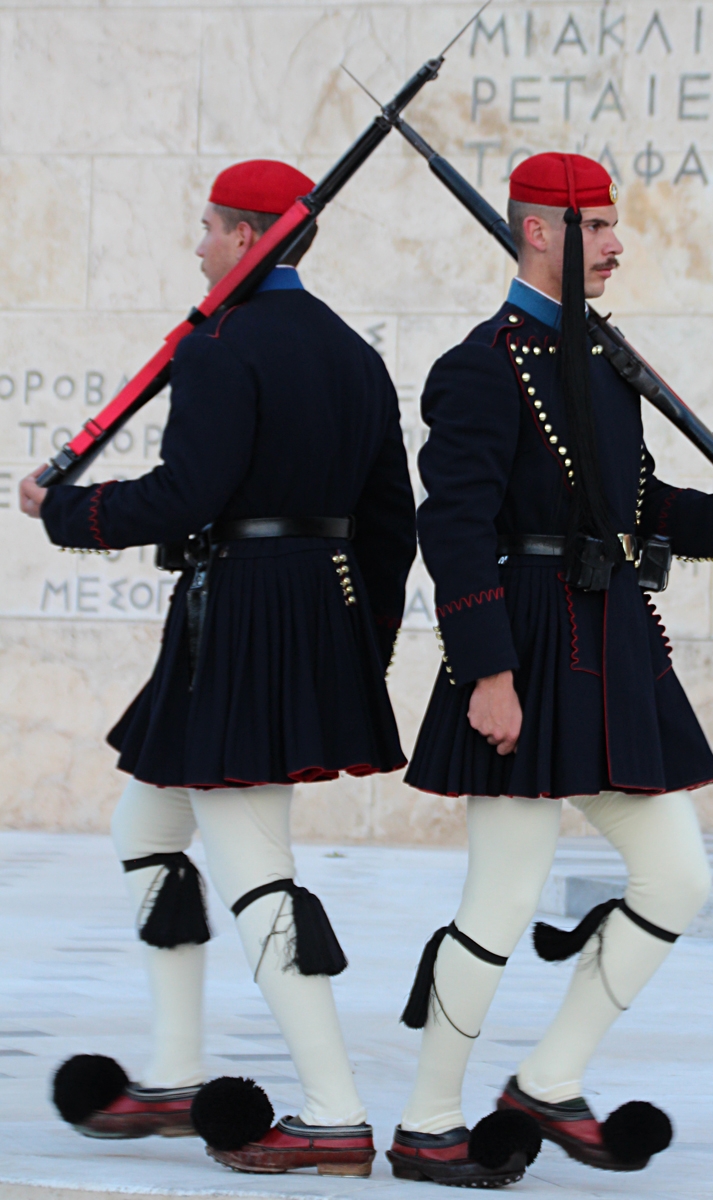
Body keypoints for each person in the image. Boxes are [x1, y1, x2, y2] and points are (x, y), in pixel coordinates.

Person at [387, 152, 713, 1185]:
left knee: (677, 876)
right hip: (521, 641)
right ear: (537, 231)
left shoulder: (600, 357)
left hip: (608, 641)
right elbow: (455, 525)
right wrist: (484, 670)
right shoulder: (480, 366)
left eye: (612, 225)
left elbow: (632, 498)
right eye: (598, 226)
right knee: (501, 894)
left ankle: (546, 1082)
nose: (616, 243)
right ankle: (428, 1123)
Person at [20, 159, 416, 1177]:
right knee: (147, 824)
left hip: (239, 611)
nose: (195, 245)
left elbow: (185, 494)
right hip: (307, 613)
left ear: (248, 237)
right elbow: (388, 528)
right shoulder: (351, 355)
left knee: (252, 860)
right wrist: (353, 652)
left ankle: (331, 1114)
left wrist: (64, 508)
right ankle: (177, 1071)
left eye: (207, 228)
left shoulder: (222, 345)